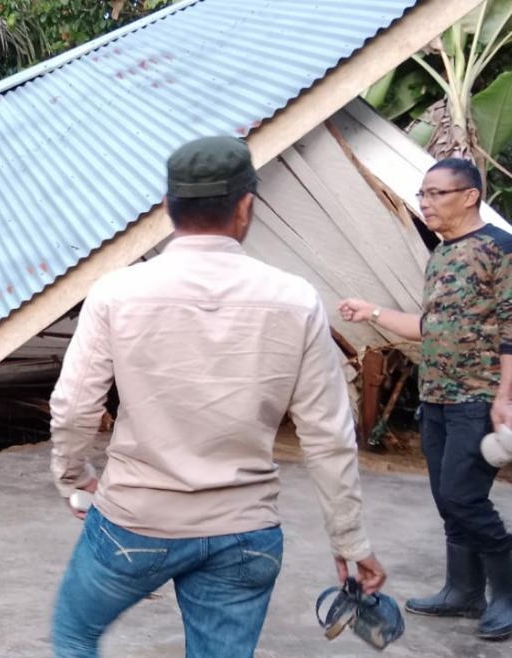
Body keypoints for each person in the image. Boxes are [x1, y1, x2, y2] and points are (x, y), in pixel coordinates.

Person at [49, 136, 386, 658]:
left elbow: (73, 408)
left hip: (136, 521)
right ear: (246, 206)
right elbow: (328, 435)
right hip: (245, 533)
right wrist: (349, 541)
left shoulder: (116, 293)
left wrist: (75, 476)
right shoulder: (295, 300)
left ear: (167, 207)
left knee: (75, 634)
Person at [338, 157, 512, 641]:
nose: (425, 203)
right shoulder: (441, 254)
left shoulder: (500, 248)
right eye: (422, 195)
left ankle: (507, 590)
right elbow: (428, 326)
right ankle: (463, 590)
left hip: (478, 396)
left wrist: (506, 395)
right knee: (446, 498)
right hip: (436, 394)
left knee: (463, 495)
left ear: (470, 195)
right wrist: (371, 310)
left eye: (436, 193)